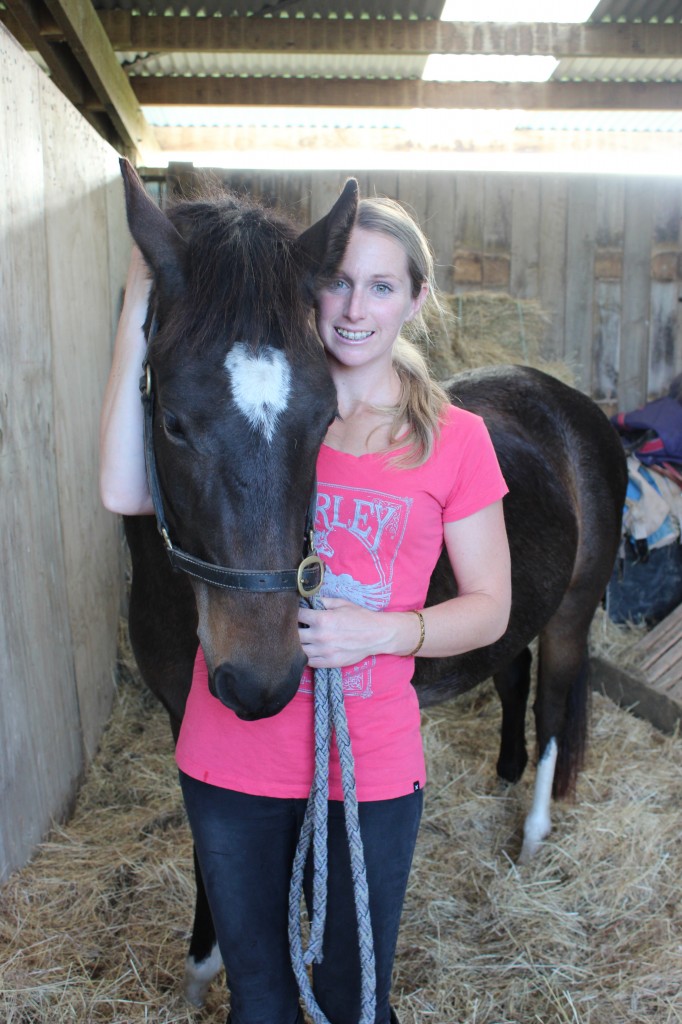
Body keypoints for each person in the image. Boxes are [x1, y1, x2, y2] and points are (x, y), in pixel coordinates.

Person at [100, 193, 512, 1024]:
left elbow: (492, 607)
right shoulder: (264, 402)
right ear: (308, 289)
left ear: (416, 300)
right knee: (259, 1005)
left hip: (370, 768)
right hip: (233, 761)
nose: (357, 308)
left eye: (384, 287)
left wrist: (383, 631)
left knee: (356, 1001)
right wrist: (145, 296)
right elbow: (120, 487)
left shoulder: (455, 439)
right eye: (340, 283)